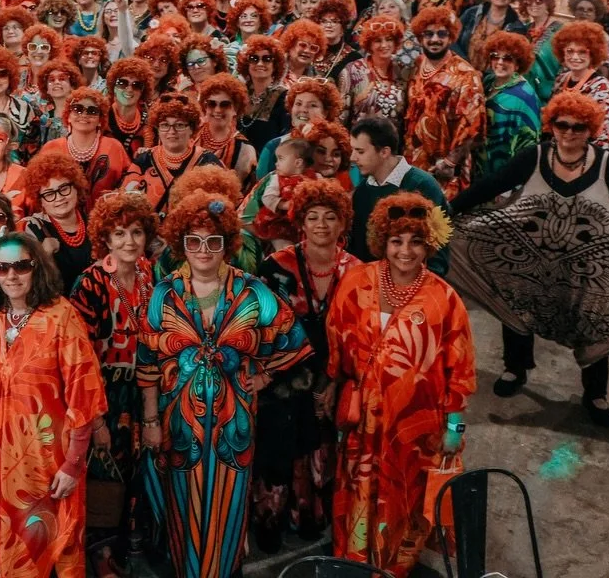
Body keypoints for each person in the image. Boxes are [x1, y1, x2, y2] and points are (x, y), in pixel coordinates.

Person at [451, 91, 609, 427]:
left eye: (579, 127)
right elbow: (490, 186)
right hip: (529, 258)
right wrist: (447, 213)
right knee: (515, 301)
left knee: (593, 319)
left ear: (590, 129)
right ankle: (515, 368)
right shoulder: (535, 156)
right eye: (563, 125)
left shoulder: (607, 164)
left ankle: (595, 393)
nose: (570, 132)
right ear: (552, 125)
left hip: (586, 268)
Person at [138, 191, 309, 578]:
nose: (203, 250)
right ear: (182, 244)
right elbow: (147, 360)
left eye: (213, 242)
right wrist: (150, 421)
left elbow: (293, 338)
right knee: (182, 504)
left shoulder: (252, 289)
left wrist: (264, 375)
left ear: (227, 245)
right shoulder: (164, 292)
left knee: (230, 507)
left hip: (235, 426)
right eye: (193, 241)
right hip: (179, 425)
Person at [328, 193, 475, 576]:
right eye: (396, 241)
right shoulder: (357, 280)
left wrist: (455, 428)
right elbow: (336, 343)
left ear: (430, 244)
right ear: (382, 241)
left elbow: (460, 371)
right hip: (365, 424)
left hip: (416, 431)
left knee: (405, 501)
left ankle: (394, 568)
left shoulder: (446, 299)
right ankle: (356, 563)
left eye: (416, 241)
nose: (405, 251)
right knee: (359, 492)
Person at [0, 232, 108, 578]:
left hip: (50, 462)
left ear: (37, 267)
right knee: (9, 548)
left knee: (53, 546)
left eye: (21, 265)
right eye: (2, 268)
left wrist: (74, 463)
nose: (11, 275)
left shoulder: (61, 316)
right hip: (0, 459)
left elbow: (84, 392)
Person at [252, 179, 361, 554]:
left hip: (333, 377)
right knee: (277, 448)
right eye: (312, 217)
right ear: (300, 222)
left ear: (343, 222)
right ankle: (269, 522)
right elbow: (259, 328)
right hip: (281, 378)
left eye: (330, 217)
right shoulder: (274, 267)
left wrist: (335, 381)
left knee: (320, 450)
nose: (321, 225)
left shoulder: (358, 271)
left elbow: (361, 335)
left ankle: (310, 518)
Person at [68, 192, 160, 574]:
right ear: (105, 238)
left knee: (136, 472)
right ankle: (100, 555)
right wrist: (97, 418)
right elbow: (79, 353)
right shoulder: (90, 282)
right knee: (103, 474)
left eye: (136, 232)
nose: (129, 241)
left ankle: (126, 548)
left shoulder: (148, 274)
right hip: (103, 393)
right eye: (119, 233)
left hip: (142, 391)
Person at [403, 6, 484, 200]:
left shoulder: (465, 74)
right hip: (413, 162)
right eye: (428, 34)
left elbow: (473, 126)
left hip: (445, 170)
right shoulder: (416, 65)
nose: (435, 39)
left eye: (441, 34)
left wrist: (449, 162)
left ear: (451, 36)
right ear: (420, 37)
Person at [346, 116, 447, 272]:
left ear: (384, 152)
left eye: (360, 151)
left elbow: (438, 249)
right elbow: (358, 251)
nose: (353, 158)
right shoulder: (362, 192)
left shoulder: (423, 185)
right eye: (353, 150)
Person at [123, 93, 223, 217]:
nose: (172, 131)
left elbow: (222, 208)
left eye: (179, 125)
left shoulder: (208, 161)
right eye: (165, 125)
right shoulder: (143, 160)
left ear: (192, 129)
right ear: (158, 129)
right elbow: (125, 205)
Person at [40, 87, 130, 207]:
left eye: (92, 111)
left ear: (100, 120)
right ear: (68, 117)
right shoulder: (51, 148)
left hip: (105, 219)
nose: (84, 114)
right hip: (61, 219)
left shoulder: (114, 147)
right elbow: (39, 189)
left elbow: (128, 187)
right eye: (77, 109)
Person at [21, 152, 94, 291]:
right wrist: (45, 254)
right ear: (40, 199)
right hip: (58, 308)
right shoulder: (33, 228)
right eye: (49, 194)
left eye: (64, 188)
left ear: (76, 188)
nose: (59, 197)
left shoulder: (94, 222)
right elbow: (30, 283)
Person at [477, 30, 542, 178]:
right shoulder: (487, 82)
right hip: (479, 167)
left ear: (518, 64)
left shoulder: (525, 96)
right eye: (495, 56)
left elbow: (529, 145)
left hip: (504, 174)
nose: (500, 62)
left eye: (507, 58)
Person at [552, 20, 609, 150]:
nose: (575, 57)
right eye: (570, 51)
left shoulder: (602, 89)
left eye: (582, 52)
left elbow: (605, 140)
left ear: (593, 53)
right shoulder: (560, 80)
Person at [337, 16, 409, 131]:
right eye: (378, 41)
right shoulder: (352, 70)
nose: (384, 45)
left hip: (393, 146)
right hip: (359, 144)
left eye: (389, 39)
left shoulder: (403, 71)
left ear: (396, 42)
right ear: (369, 44)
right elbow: (340, 117)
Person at [456, 0, 527, 70]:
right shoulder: (471, 13)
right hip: (462, 71)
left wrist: (487, 77)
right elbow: (453, 38)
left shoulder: (517, 27)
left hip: (493, 80)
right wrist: (464, 64)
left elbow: (512, 61)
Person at [193, 73, 258, 182]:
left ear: (235, 109)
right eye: (211, 104)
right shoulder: (191, 134)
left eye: (225, 105)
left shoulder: (245, 150)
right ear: (205, 107)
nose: (217, 110)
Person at [251, 137, 313, 248]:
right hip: (278, 222)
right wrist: (283, 205)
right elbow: (268, 197)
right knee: (284, 246)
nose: (276, 164)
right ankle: (284, 261)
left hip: (300, 222)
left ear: (298, 163)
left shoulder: (312, 178)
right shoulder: (276, 179)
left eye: (280, 159)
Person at [238, 35, 290, 154]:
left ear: (275, 65)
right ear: (247, 64)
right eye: (254, 58)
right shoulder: (239, 93)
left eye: (267, 59)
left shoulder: (283, 97)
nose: (260, 63)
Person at [519, 0, 566, 103]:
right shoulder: (524, 30)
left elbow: (566, 63)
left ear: (548, 4)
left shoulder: (561, 30)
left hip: (551, 93)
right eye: (528, 2)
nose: (533, 5)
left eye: (538, 1)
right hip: (525, 92)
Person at [104, 57, 153, 156]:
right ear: (113, 87)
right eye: (122, 83)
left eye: (136, 85)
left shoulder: (149, 120)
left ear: (142, 91)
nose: (129, 89)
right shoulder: (101, 116)